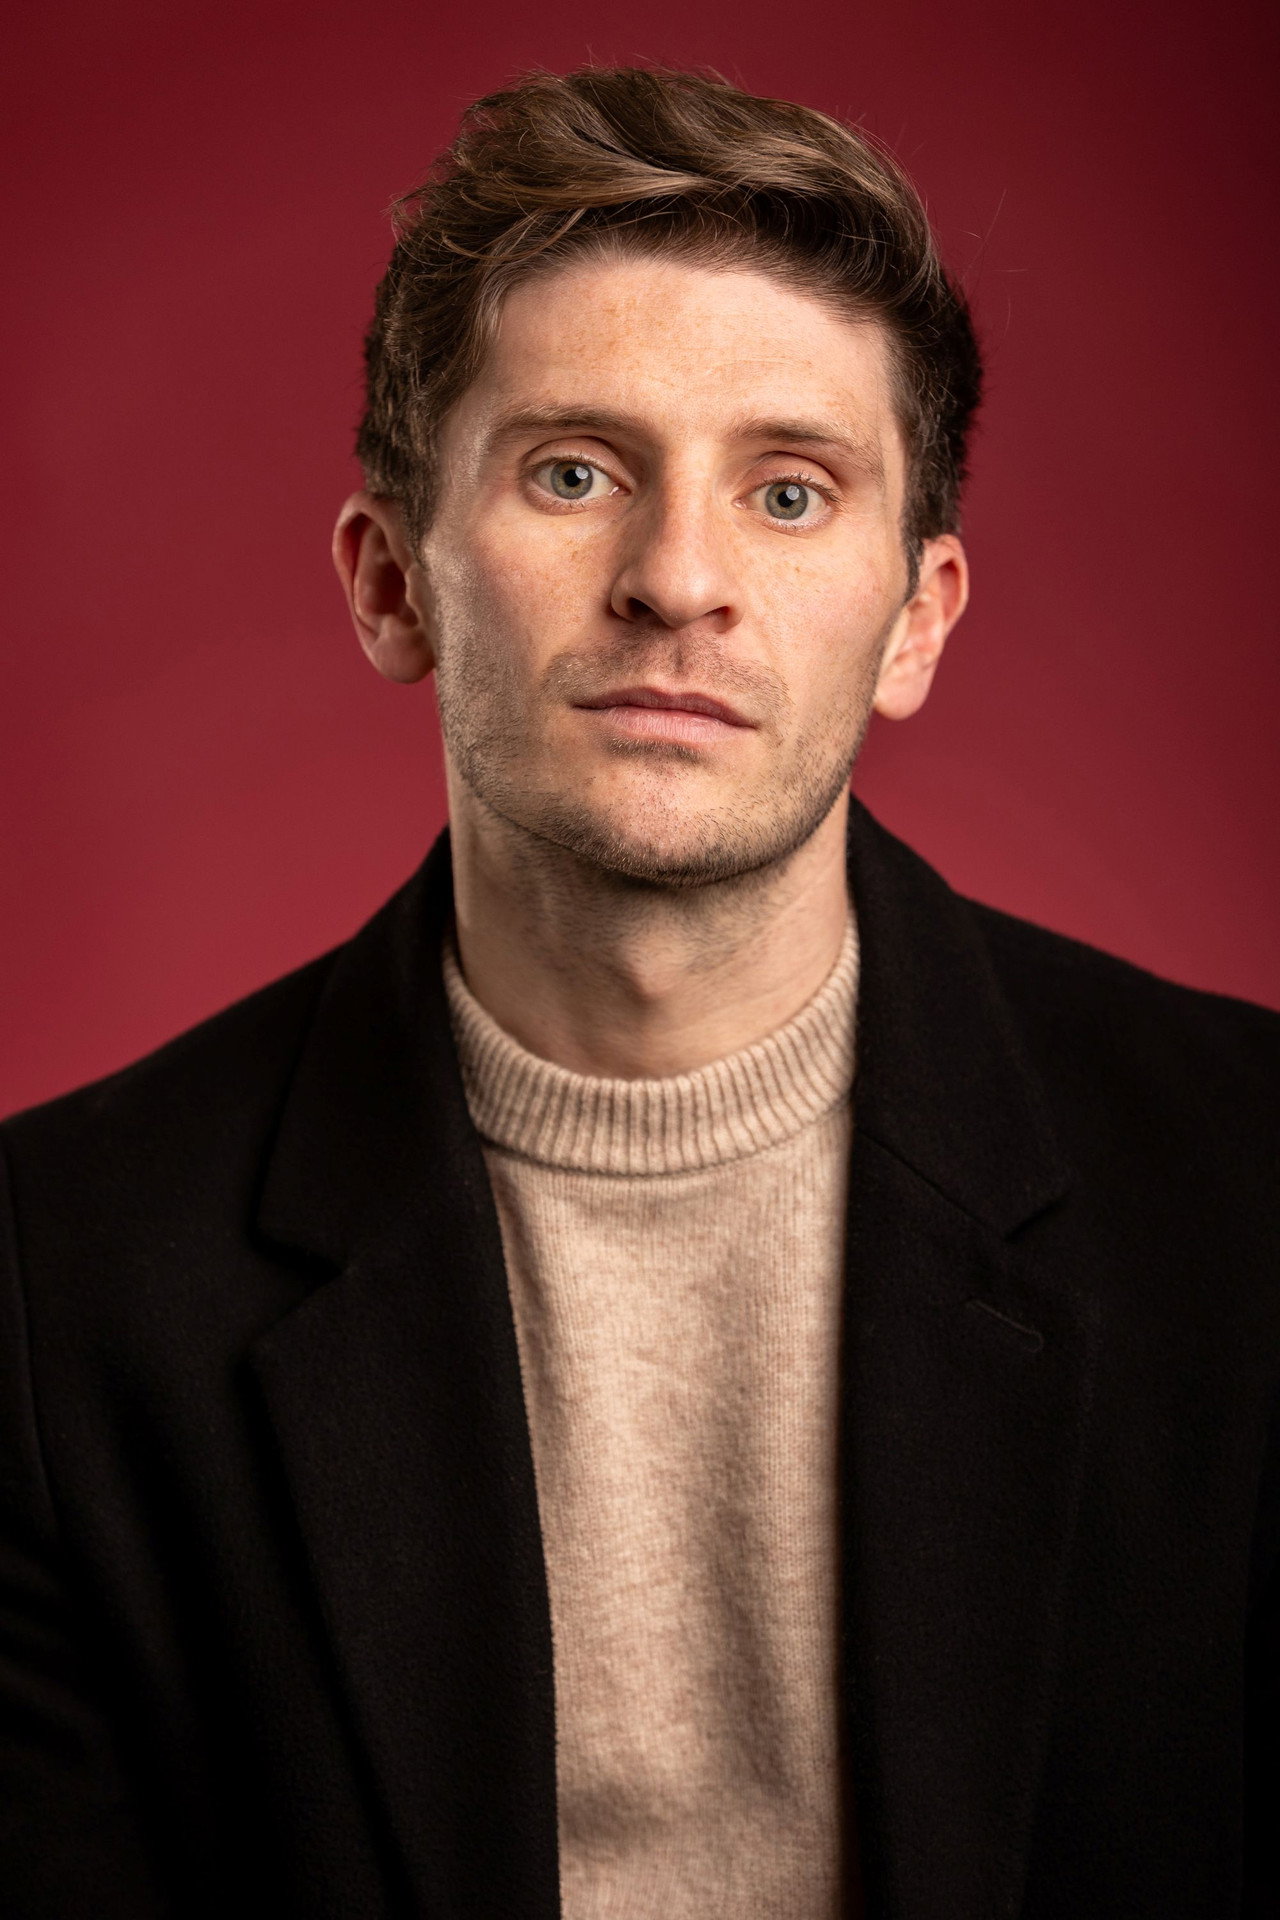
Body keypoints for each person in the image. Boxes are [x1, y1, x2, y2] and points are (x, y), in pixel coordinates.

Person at [0, 63, 1275, 1920]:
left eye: (789, 491)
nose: (679, 580)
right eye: (574, 472)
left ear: (917, 617)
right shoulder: (57, 1286)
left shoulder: (1247, 1187)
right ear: (391, 581)